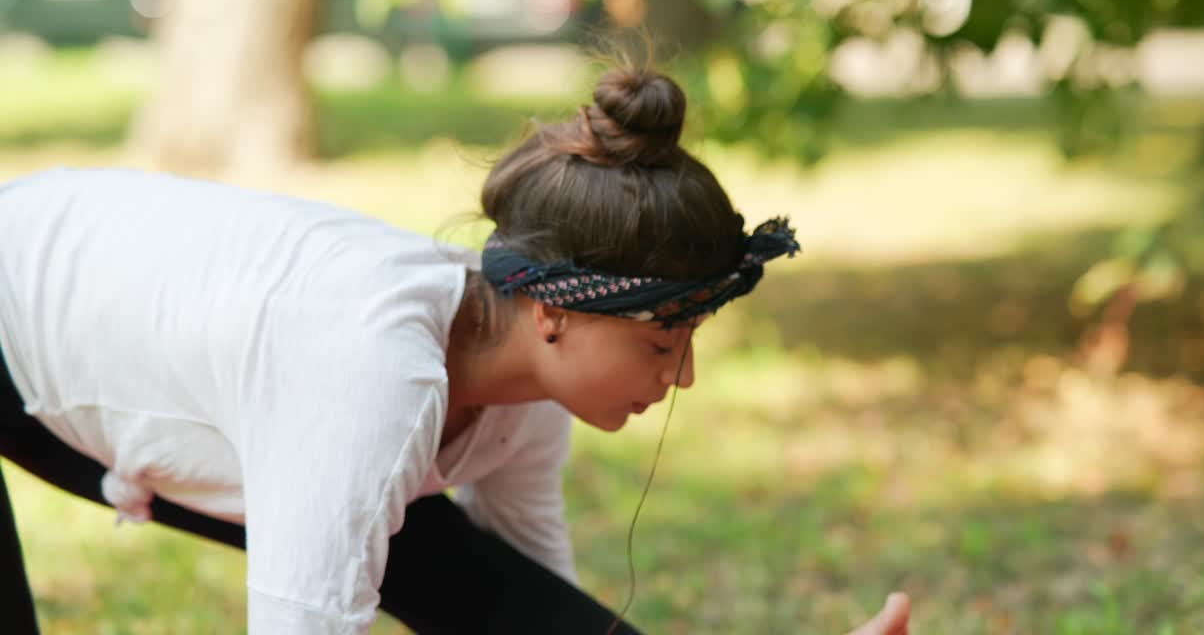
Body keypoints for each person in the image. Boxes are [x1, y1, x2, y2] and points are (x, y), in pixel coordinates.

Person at [0, 66, 910, 634]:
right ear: (555, 313)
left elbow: (524, 610)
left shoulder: (521, 389)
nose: (684, 376)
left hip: (135, 358)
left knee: (450, 569)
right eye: (664, 340)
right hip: (19, 323)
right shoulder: (369, 379)